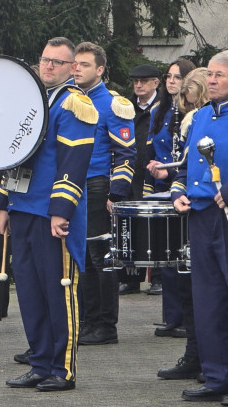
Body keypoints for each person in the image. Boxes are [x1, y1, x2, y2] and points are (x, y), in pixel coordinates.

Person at [0, 37, 96, 392]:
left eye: (57, 62)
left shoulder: (75, 104)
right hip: (22, 208)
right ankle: (39, 362)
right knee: (29, 291)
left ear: (73, 68)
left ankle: (62, 369)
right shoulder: (32, 101)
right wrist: (3, 203)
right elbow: (12, 153)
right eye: (44, 60)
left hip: (52, 213)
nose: (48, 66)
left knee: (58, 292)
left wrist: (60, 211)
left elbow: (74, 164)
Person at [172, 50, 228, 405]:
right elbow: (185, 164)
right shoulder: (198, 117)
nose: (211, 80)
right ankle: (217, 375)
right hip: (202, 213)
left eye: (220, 76)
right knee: (207, 299)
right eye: (209, 74)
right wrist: (178, 190)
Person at [70, 42, 136, 347]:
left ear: (99, 70)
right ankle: (87, 322)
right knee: (80, 258)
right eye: (75, 64)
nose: (76, 69)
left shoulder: (112, 104)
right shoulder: (69, 100)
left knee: (101, 258)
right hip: (72, 187)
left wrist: (117, 193)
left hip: (97, 186)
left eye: (84, 64)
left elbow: (126, 153)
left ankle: (105, 325)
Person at [155, 66, 207, 382]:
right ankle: (195, 355)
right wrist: (175, 185)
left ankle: (211, 359)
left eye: (191, 100)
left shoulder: (200, 120)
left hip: (211, 209)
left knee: (205, 289)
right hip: (187, 204)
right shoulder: (192, 120)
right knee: (187, 285)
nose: (187, 107)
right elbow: (184, 166)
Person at [145, 59, 196, 341]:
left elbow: (189, 159)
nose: (171, 81)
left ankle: (183, 319)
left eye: (178, 77)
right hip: (162, 187)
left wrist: (171, 170)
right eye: (169, 76)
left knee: (182, 258)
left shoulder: (192, 114)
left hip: (182, 188)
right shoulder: (161, 112)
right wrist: (153, 172)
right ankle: (171, 317)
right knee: (166, 258)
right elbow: (151, 149)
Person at [118, 63, 163, 295]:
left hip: (153, 173)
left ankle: (157, 277)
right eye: (135, 81)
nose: (138, 85)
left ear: (156, 83)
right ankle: (130, 277)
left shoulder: (163, 108)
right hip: (129, 173)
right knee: (128, 226)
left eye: (144, 81)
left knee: (155, 226)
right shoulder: (126, 107)